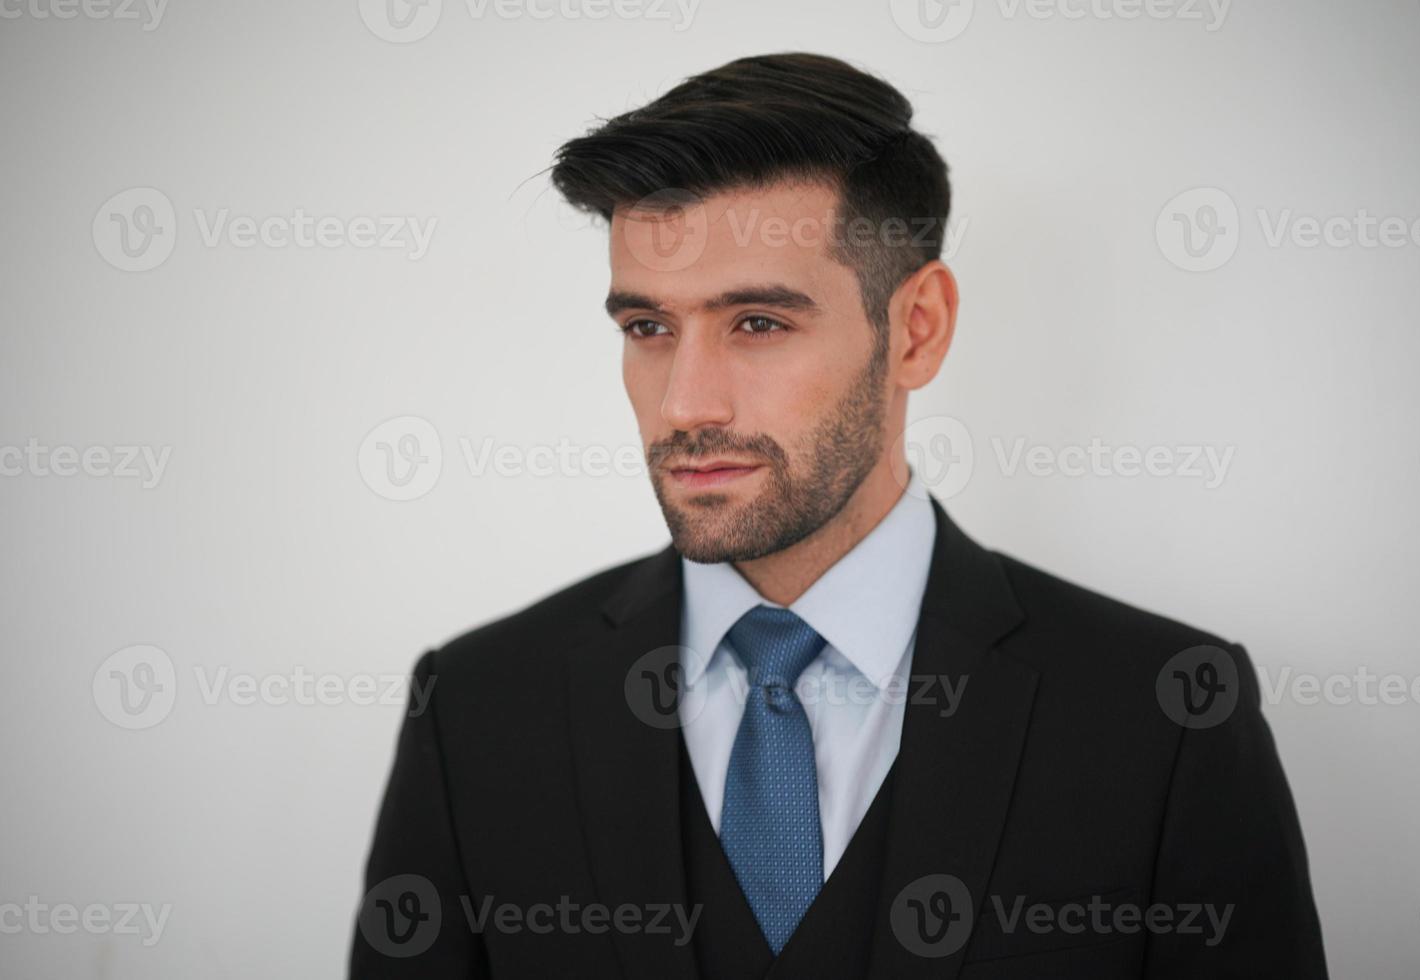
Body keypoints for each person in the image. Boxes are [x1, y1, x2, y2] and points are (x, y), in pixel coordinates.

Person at [351, 52, 1328, 978]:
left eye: (759, 322)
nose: (687, 401)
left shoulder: (1165, 713)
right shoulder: (479, 707)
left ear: (916, 329)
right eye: (649, 326)